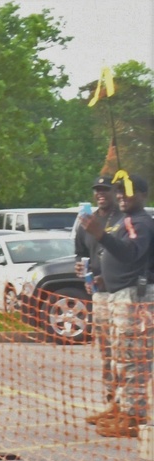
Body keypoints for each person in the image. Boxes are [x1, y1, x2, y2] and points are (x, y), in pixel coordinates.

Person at [80, 175, 153, 438]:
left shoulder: (140, 223)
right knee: (120, 358)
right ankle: (121, 407)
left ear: (143, 195)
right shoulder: (125, 221)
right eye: (118, 193)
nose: (121, 196)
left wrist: (101, 234)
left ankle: (134, 417)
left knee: (134, 359)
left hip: (136, 299)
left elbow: (131, 253)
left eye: (127, 193)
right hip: (118, 295)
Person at [75, 176, 122, 425]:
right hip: (99, 294)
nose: (100, 194)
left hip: (121, 291)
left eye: (105, 190)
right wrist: (81, 269)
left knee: (125, 351)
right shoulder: (87, 221)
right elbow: (81, 253)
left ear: (116, 192)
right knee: (107, 350)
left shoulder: (122, 218)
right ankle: (111, 401)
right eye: (97, 190)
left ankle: (125, 406)